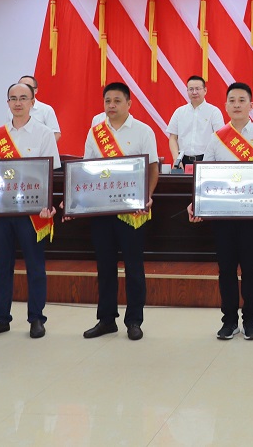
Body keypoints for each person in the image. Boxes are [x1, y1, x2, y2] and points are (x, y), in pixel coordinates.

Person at [0, 82, 59, 339]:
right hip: (2, 212)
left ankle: (36, 318)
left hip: (32, 213)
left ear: (32, 102)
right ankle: (0, 318)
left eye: (23, 98)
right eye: (13, 98)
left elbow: (50, 174)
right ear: (8, 103)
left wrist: (47, 205)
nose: (18, 103)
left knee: (35, 267)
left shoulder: (44, 134)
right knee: (1, 267)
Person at [188, 82, 253, 340]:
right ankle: (229, 320)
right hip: (223, 216)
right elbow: (205, 177)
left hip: (252, 214)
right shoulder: (217, 138)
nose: (237, 105)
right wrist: (196, 201)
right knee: (226, 268)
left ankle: (251, 320)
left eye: (242, 100)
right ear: (226, 105)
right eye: (232, 100)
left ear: (251, 106)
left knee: (250, 268)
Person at [78, 82, 158, 341]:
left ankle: (134, 321)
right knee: (105, 267)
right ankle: (106, 320)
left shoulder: (143, 131)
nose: (111, 105)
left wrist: (147, 196)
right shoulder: (95, 133)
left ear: (128, 103)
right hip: (101, 210)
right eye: (107, 101)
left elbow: (153, 168)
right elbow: (86, 168)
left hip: (132, 212)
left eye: (117, 101)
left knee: (134, 267)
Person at [166, 75, 224, 169]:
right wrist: (176, 160)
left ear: (205, 90)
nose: (194, 92)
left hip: (206, 160)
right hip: (183, 160)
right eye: (191, 89)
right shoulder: (179, 112)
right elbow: (173, 138)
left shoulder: (214, 112)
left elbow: (219, 138)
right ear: (187, 91)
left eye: (197, 89)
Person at [9, 75, 62, 143]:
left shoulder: (46, 109)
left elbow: (56, 134)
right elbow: (8, 132)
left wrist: (44, 147)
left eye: (28, 87)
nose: (24, 90)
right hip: (17, 148)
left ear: (36, 90)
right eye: (21, 86)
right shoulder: (12, 110)